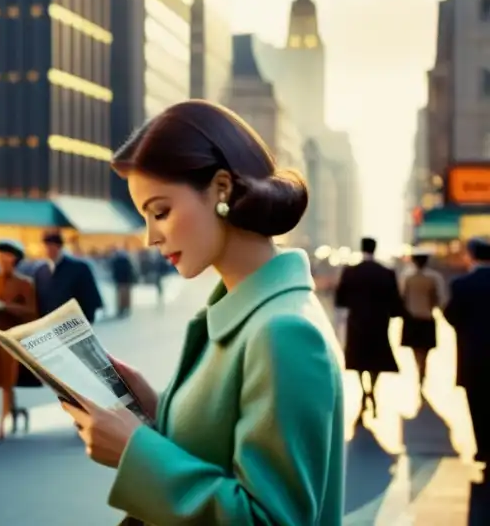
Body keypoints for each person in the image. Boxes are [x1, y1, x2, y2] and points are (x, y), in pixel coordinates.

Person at [59, 100, 344, 526]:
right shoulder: (250, 312)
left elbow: (271, 519)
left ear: (222, 189)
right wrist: (158, 413)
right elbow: (221, 453)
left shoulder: (282, 332)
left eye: (160, 212)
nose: (151, 237)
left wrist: (135, 453)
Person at [335, 236, 404, 417]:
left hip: (357, 320)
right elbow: (395, 298)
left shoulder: (350, 271)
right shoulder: (386, 272)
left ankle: (364, 392)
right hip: (379, 320)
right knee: (376, 358)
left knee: (358, 358)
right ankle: (371, 390)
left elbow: (340, 298)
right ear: (375, 249)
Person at [0, 239, 39, 444]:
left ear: (13, 258)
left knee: (8, 381)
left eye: (2, 256)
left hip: (16, 337)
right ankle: (14, 412)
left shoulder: (25, 284)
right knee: (4, 382)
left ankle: (2, 426)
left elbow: (32, 312)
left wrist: (5, 307)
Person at [443, 236, 490, 463]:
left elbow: (450, 315)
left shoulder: (461, 285)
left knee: (477, 403)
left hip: (473, 354)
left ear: (470, 256)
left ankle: (483, 447)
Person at [399, 247, 444, 390]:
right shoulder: (433, 277)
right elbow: (439, 299)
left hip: (411, 318)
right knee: (425, 351)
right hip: (427, 317)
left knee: (415, 350)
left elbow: (402, 296)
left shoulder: (408, 277)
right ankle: (422, 373)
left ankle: (420, 372)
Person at [36, 232, 104, 322]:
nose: (48, 250)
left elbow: (90, 296)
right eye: (46, 246)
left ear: (59, 247)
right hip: (50, 321)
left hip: (74, 320)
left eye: (51, 246)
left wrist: (87, 319)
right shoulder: (41, 271)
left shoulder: (79, 267)